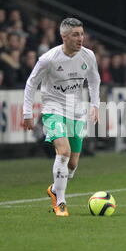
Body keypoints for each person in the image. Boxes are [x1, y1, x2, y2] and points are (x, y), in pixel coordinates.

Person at [23, 17, 100, 217]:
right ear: (64, 36)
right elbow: (31, 83)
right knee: (63, 152)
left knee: (72, 164)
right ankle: (61, 201)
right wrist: (27, 112)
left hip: (76, 111)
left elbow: (94, 80)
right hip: (53, 109)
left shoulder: (88, 56)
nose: (80, 38)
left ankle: (55, 188)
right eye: (75, 34)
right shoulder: (49, 58)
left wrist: (95, 105)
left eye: (82, 34)